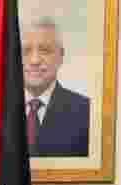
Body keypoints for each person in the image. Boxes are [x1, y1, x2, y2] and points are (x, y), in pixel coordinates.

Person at [20, 16, 90, 157]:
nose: (34, 61)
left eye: (45, 50)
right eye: (26, 50)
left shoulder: (86, 112)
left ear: (61, 56)